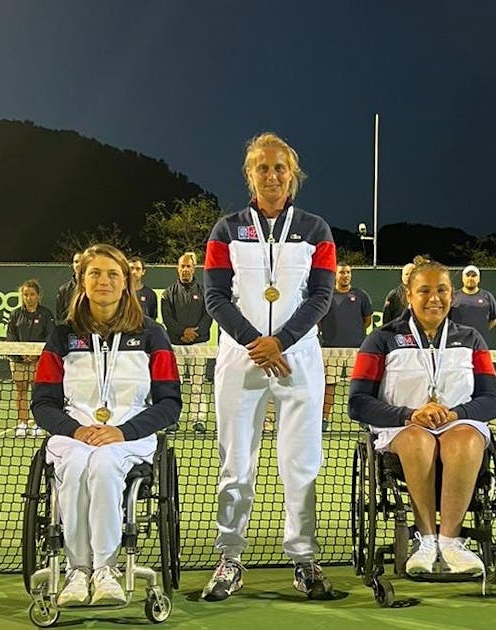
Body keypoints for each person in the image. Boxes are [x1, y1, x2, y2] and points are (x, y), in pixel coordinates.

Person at [201, 132, 337, 601]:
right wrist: (254, 342)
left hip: (297, 356)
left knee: (301, 464)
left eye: (281, 167)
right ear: (249, 175)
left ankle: (304, 559)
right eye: (263, 167)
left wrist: (280, 341)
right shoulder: (227, 229)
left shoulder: (316, 230)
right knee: (236, 463)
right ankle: (229, 558)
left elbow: (321, 297)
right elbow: (215, 295)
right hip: (241, 358)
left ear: (293, 175)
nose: (273, 175)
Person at [32, 244, 182, 607]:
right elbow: (42, 403)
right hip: (74, 435)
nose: (104, 281)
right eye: (95, 273)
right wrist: (75, 430)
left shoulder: (152, 334)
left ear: (127, 282)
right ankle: (77, 571)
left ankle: (105, 570)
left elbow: (169, 403)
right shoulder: (62, 336)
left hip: (131, 436)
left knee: (101, 464)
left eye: (113, 274)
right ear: (81, 281)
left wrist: (123, 432)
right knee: (79, 462)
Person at [349, 259, 496, 576]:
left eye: (442, 290)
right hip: (401, 430)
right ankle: (426, 541)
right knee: (419, 440)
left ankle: (451, 542)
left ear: (452, 294)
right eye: (425, 290)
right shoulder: (381, 339)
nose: (435, 298)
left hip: (458, 425)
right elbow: (358, 403)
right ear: (408, 295)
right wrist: (409, 415)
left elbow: (491, 401)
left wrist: (456, 413)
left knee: (467, 437)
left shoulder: (472, 339)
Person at [159, 251, 213, 430]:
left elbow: (208, 316)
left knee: (198, 383)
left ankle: (198, 420)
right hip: (176, 346)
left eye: (188, 266)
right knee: (176, 384)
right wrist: (183, 332)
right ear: (177, 268)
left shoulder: (204, 292)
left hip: (199, 345)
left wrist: (194, 334)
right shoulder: (168, 294)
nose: (185, 270)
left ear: (194, 268)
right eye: (182, 266)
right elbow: (167, 319)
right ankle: (174, 419)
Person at [319, 263, 373, 429]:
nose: (345, 275)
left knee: (359, 386)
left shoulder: (361, 296)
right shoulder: (326, 295)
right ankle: (324, 420)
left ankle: (363, 419)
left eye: (348, 272)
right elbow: (319, 321)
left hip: (356, 349)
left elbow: (367, 320)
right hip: (330, 349)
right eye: (342, 272)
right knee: (329, 385)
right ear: (335, 275)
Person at [6, 279, 56, 437]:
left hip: (40, 361)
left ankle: (38, 423)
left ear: (38, 296)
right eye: (25, 294)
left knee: (38, 392)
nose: (28, 297)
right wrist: (20, 353)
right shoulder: (15, 314)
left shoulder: (46, 314)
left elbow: (50, 336)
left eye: (32, 294)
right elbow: (10, 336)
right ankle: (22, 423)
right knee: (21, 391)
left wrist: (36, 353)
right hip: (19, 361)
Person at [449, 265, 496, 347]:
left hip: (481, 343)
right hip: (458, 343)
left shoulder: (487, 296)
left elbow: (493, 320)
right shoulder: (453, 297)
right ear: (462, 278)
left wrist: (481, 331)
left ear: (478, 279)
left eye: (473, 276)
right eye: (467, 275)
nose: (470, 278)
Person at [381, 261, 417, 325]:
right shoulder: (394, 295)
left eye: (411, 274)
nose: (408, 277)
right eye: (406, 274)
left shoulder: (424, 294)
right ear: (402, 276)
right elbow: (386, 319)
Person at [129, 256, 158, 322]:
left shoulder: (150, 294)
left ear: (143, 272)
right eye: (131, 268)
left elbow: (152, 318)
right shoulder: (120, 293)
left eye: (138, 269)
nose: (134, 272)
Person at [55, 251, 81, 322]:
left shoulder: (95, 288)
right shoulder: (63, 290)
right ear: (72, 265)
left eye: (82, 261)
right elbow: (60, 316)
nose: (79, 264)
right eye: (76, 261)